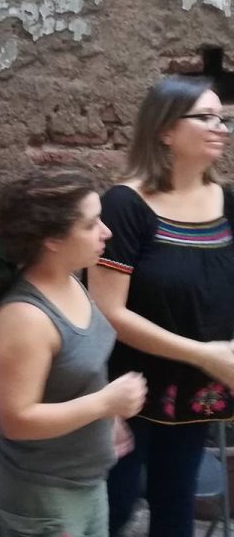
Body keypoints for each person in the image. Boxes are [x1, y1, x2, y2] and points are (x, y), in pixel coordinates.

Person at [87, 75, 234, 537]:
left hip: (199, 388)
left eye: (223, 119)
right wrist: (204, 354)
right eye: (206, 117)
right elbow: (109, 311)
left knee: (176, 505)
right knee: (113, 507)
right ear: (166, 130)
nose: (220, 128)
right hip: (128, 388)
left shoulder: (227, 202)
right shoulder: (125, 205)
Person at [0, 171, 147, 537]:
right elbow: (17, 419)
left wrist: (107, 419)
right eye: (91, 224)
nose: (106, 232)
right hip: (43, 496)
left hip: (85, 482)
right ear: (51, 240)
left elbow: (73, 373)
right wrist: (104, 404)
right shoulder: (27, 317)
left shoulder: (71, 281)